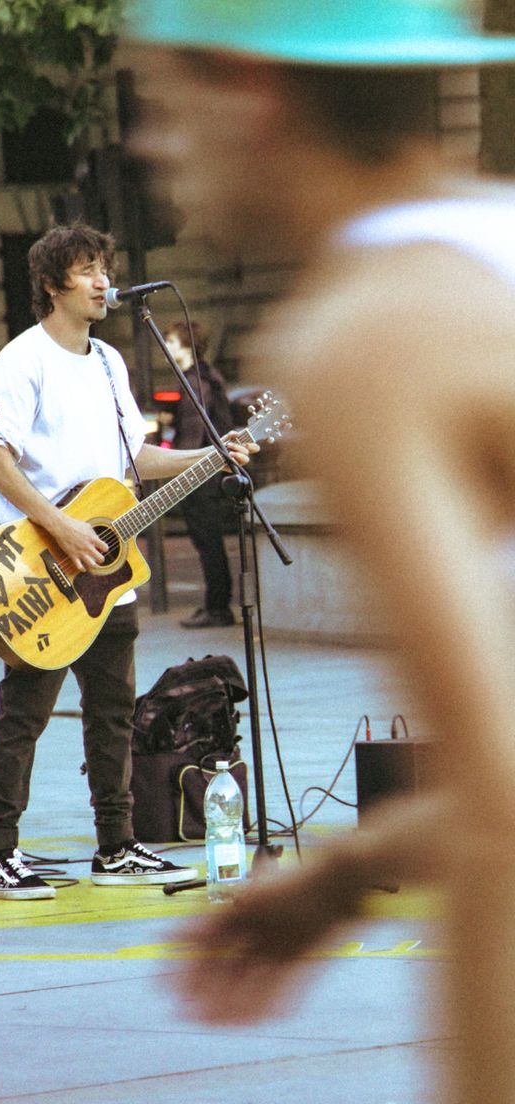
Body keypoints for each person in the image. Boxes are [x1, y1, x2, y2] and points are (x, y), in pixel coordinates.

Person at [125, 2, 515, 1102]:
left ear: (251, 94)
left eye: (161, 101)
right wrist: (343, 872)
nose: (148, 143)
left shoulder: (364, 331)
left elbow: (501, 796)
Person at [0, 223, 256, 901]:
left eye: (105, 267)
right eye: (88, 270)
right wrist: (60, 525)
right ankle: (0, 853)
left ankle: (116, 845)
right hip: (40, 574)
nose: (103, 281)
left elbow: (136, 463)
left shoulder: (109, 363)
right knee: (25, 714)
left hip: (109, 581)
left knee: (113, 713)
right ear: (51, 283)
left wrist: (213, 456)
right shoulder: (23, 359)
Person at [163, 320, 235, 628]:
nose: (167, 348)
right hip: (207, 471)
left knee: (208, 541)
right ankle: (216, 605)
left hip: (201, 474)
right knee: (209, 541)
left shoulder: (196, 381)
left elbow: (195, 432)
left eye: (172, 343)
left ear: (186, 346)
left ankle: (217, 608)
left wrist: (179, 467)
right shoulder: (202, 377)